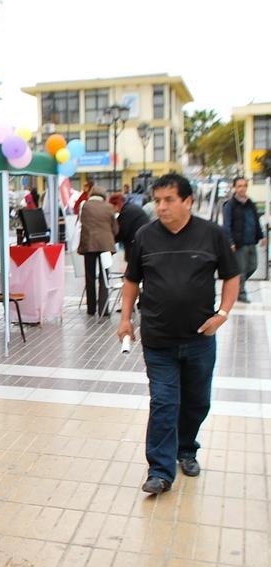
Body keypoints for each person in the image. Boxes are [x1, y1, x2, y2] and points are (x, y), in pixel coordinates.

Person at [117, 173, 239, 495]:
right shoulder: (145, 236)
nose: (161, 207)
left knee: (197, 402)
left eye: (168, 200)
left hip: (199, 340)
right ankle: (160, 470)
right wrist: (126, 320)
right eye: (157, 201)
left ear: (187, 201)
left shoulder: (211, 234)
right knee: (164, 402)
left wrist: (223, 314)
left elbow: (232, 276)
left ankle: (186, 449)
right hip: (158, 340)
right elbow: (131, 281)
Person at [222, 176, 265, 303]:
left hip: (251, 241)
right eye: (239, 186)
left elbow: (256, 221)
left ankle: (235, 286)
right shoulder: (230, 205)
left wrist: (261, 236)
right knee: (241, 270)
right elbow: (226, 225)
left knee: (253, 266)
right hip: (239, 243)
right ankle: (241, 294)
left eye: (244, 186)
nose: (242, 188)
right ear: (234, 187)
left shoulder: (250, 203)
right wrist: (230, 242)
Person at [78, 185, 118, 316]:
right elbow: (115, 228)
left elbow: (82, 223)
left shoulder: (85, 206)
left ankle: (91, 309)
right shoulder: (109, 207)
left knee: (90, 277)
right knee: (104, 277)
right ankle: (104, 309)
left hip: (89, 244)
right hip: (106, 245)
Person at [109, 193, 151, 267]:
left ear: (117, 204)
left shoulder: (126, 212)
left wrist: (111, 242)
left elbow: (121, 231)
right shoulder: (129, 208)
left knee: (133, 267)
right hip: (142, 239)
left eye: (112, 207)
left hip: (136, 242)